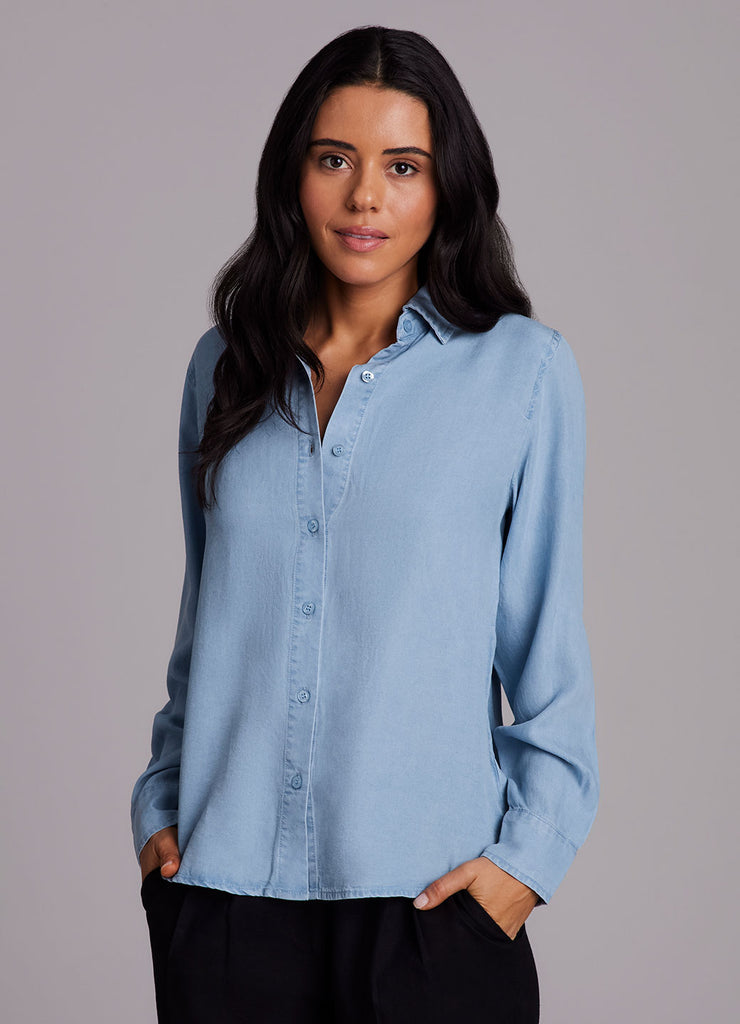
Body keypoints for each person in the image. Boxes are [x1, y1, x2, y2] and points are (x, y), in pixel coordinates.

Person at [130, 24, 599, 1024]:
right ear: (292, 175)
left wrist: (525, 864)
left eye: (403, 166)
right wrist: (162, 809)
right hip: (224, 904)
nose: (365, 198)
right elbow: (206, 625)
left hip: (429, 915)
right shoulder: (225, 367)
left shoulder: (520, 372)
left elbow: (547, 652)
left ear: (446, 185)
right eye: (334, 159)